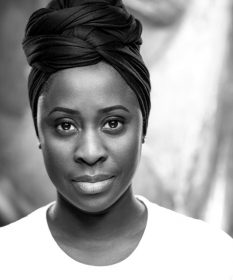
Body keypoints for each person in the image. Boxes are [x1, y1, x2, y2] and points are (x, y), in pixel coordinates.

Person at [0, 0, 232, 279]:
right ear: (40, 130)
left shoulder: (211, 258)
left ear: (143, 123)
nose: (90, 151)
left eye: (113, 123)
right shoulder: (7, 258)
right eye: (65, 125)